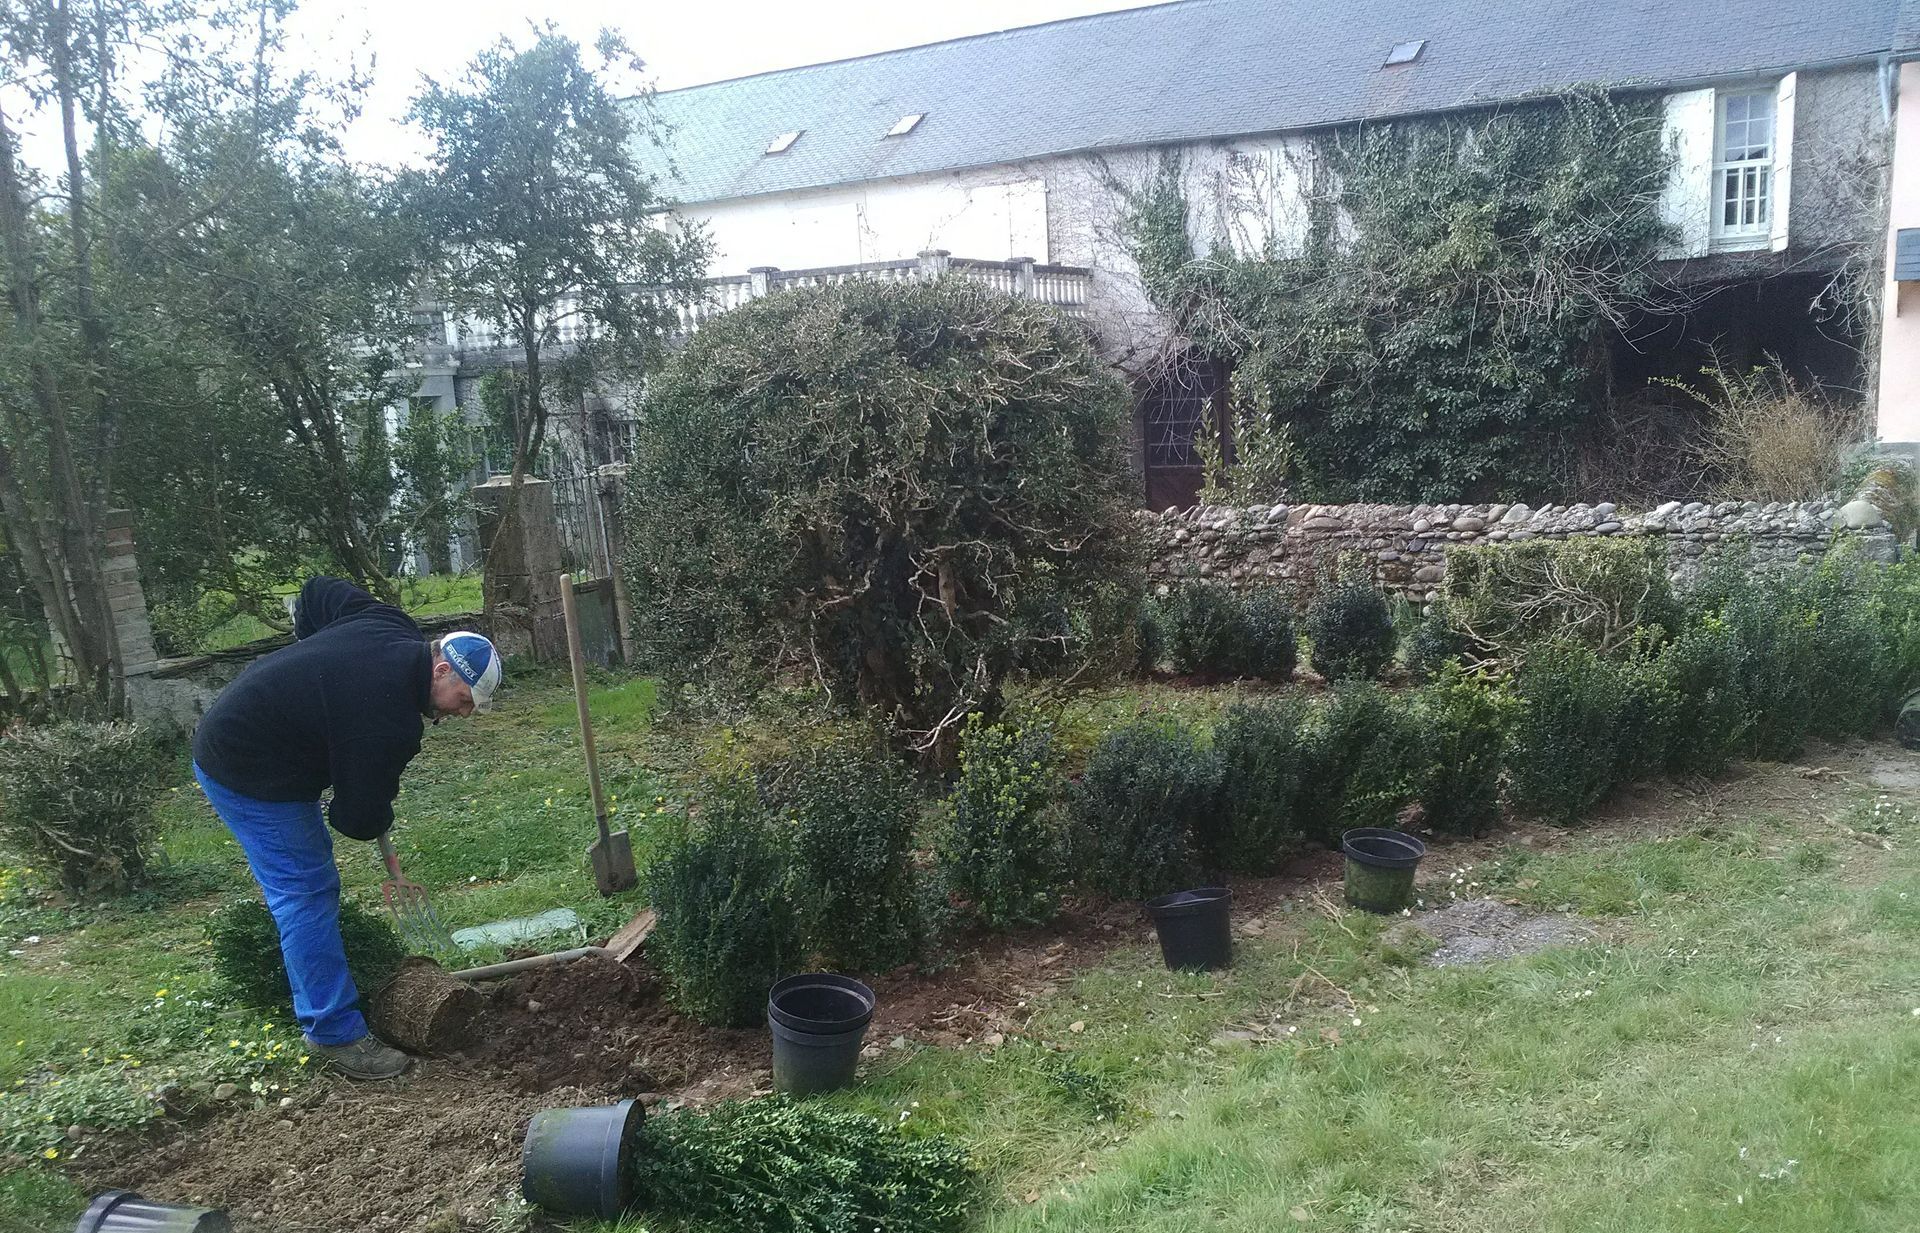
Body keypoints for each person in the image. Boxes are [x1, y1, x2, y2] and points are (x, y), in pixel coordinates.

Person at [190, 577, 502, 1080]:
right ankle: (333, 1034)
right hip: (246, 766)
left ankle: (327, 1009)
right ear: (442, 669)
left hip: (245, 725)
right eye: (464, 700)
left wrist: (317, 676)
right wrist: (371, 800)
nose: (463, 714)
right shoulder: (389, 723)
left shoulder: (391, 624)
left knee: (308, 884)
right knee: (306, 892)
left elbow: (317, 592)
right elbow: (355, 820)